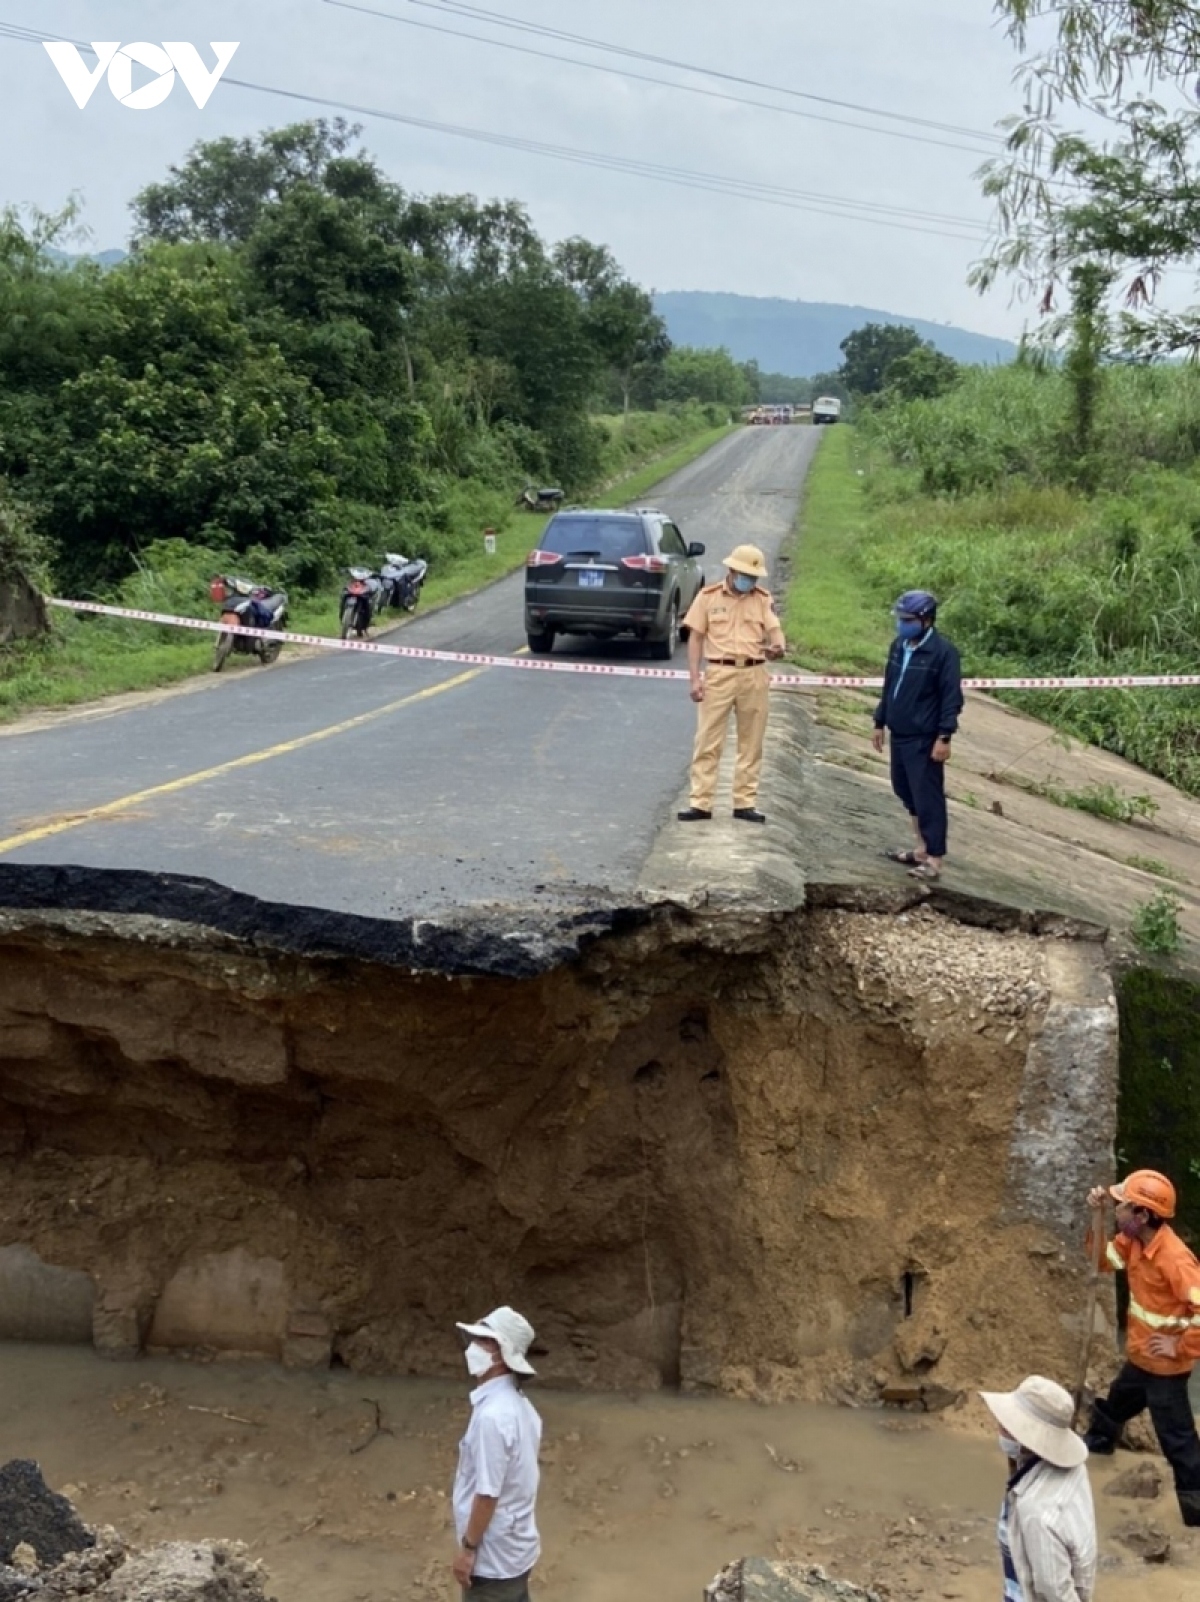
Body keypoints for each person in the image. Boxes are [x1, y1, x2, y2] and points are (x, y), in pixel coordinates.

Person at [1083, 1169, 1200, 1525]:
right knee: (1117, 1403)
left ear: (1143, 1215)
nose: (1119, 1211)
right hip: (1140, 1358)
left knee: (1177, 1440)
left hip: (1165, 1369)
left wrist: (1179, 1344)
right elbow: (1101, 1261)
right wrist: (1098, 1215)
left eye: (1123, 1207)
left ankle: (1195, 1511)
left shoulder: (1175, 1259)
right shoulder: (1131, 1242)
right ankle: (1097, 1447)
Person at [677, 544, 787, 825]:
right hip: (719, 673)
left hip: (754, 673)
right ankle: (700, 802)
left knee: (751, 741)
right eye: (745, 575)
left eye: (753, 577)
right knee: (707, 740)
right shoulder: (708, 597)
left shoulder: (762, 599)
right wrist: (694, 678)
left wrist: (777, 646)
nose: (749, 581)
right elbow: (696, 638)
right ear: (732, 570)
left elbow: (774, 629)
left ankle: (744, 802)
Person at [451, 1306, 543, 1600]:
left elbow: (487, 1494)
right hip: (515, 1549)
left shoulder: (492, 1416)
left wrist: (468, 1549)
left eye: (485, 1341)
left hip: (493, 1561)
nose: (475, 1347)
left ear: (502, 1355)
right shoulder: (522, 1407)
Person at [872, 589, 963, 881]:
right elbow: (890, 686)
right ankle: (920, 848)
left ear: (925, 620)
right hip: (899, 731)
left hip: (924, 738)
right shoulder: (899, 646)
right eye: (900, 619)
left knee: (928, 797)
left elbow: (951, 698)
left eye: (908, 619)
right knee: (905, 790)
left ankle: (934, 859)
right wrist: (879, 720)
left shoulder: (943, 653)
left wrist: (944, 736)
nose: (902, 624)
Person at [981, 1375, 1097, 1602]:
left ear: (1024, 1438)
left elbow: (1055, 1591)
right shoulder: (1073, 1469)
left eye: (1007, 1425)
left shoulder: (1037, 1512)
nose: (999, 1428)